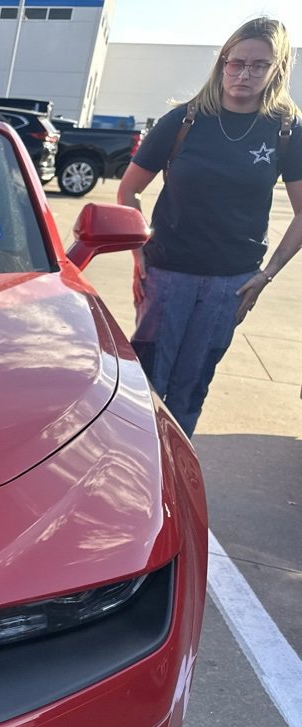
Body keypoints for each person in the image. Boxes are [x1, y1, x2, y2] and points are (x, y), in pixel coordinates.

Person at [117, 17, 302, 436]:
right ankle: (136, 472)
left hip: (230, 285)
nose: (243, 74)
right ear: (221, 63)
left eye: (258, 65)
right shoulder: (184, 121)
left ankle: (173, 483)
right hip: (166, 277)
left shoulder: (287, 131)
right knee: (145, 385)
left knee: (190, 389)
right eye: (235, 63)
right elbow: (128, 192)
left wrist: (266, 275)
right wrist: (137, 251)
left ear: (278, 68)